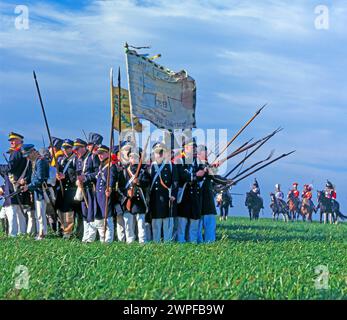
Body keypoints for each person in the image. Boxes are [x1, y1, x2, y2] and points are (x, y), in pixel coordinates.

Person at [196, 144, 231, 243]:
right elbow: (209, 175)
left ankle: (210, 241)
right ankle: (199, 241)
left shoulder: (206, 163)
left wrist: (226, 181)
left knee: (210, 223)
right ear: (200, 153)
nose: (206, 153)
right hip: (198, 198)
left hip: (207, 197)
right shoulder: (197, 164)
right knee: (198, 225)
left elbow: (215, 177)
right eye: (204, 151)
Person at [0, 132, 30, 237]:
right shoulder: (23, 153)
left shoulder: (16, 153)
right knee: (19, 212)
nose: (11, 142)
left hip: (13, 186)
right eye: (10, 141)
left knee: (12, 210)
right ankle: (21, 233)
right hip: (18, 185)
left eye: (13, 140)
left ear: (19, 141)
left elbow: (10, 168)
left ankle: (13, 234)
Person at [176, 138, 204, 244]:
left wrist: (208, 170)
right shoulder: (180, 161)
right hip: (184, 196)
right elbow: (182, 176)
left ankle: (193, 242)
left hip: (195, 197)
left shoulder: (198, 162)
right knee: (182, 224)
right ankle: (181, 243)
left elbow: (203, 175)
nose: (195, 150)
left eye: (195, 148)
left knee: (194, 223)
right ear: (185, 148)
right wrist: (195, 175)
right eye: (193, 147)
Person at [149, 142, 178, 242]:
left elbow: (175, 182)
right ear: (154, 154)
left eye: (162, 152)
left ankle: (167, 241)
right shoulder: (151, 167)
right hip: (155, 198)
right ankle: (156, 241)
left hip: (167, 198)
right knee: (156, 223)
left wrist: (173, 195)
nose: (160, 154)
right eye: (157, 152)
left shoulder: (170, 165)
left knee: (167, 223)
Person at [87, 145, 118, 243]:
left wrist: (109, 187)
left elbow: (112, 178)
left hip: (105, 195)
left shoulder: (111, 166)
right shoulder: (102, 166)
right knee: (100, 218)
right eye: (99, 154)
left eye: (102, 153)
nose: (100, 155)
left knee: (108, 218)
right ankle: (102, 239)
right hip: (99, 196)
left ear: (108, 154)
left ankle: (108, 240)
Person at [20, 144, 49, 240]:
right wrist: (26, 181)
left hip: (42, 190)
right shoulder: (35, 161)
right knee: (38, 214)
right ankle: (40, 232)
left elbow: (40, 178)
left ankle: (43, 234)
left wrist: (28, 186)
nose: (27, 157)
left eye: (28, 154)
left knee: (41, 214)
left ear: (33, 151)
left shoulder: (40, 161)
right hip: (37, 190)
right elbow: (34, 177)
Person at [122, 146, 150, 244]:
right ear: (129, 158)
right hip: (128, 200)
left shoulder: (143, 171)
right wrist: (127, 193)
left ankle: (142, 241)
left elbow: (147, 183)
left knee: (141, 223)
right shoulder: (124, 171)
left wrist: (139, 182)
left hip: (139, 200)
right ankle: (130, 241)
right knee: (128, 223)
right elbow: (120, 186)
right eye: (131, 157)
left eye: (135, 157)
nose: (133, 159)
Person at [73, 138, 98, 243]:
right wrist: (78, 181)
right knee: (84, 212)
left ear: (84, 148)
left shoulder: (93, 157)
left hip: (91, 189)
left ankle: (91, 238)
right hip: (82, 189)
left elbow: (98, 172)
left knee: (91, 212)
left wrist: (86, 178)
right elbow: (77, 175)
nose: (76, 151)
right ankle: (85, 236)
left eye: (78, 149)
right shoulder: (79, 160)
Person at [55, 139, 77, 239]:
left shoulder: (75, 159)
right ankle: (62, 229)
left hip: (70, 189)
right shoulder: (60, 159)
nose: (64, 149)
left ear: (71, 148)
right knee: (60, 210)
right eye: (63, 147)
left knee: (68, 212)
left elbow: (75, 175)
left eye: (67, 147)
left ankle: (68, 232)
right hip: (61, 188)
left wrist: (65, 177)